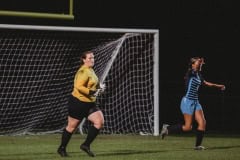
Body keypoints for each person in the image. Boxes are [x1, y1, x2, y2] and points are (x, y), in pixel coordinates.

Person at [160, 57, 225, 150]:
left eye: (201, 64)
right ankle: (168, 129)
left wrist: (219, 86)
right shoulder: (191, 73)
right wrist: (198, 62)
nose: (200, 65)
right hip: (187, 102)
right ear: (193, 65)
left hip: (196, 102)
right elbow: (190, 71)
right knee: (187, 127)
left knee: (202, 123)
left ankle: (197, 146)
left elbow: (206, 83)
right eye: (198, 63)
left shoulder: (198, 74)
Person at [57, 51, 105, 157]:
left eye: (93, 58)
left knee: (99, 122)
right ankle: (62, 148)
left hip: (90, 103)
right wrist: (93, 92)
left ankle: (86, 145)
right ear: (84, 60)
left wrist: (99, 88)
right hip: (78, 103)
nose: (92, 60)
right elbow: (79, 87)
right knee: (71, 127)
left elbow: (92, 85)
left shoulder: (90, 70)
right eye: (89, 58)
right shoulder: (83, 71)